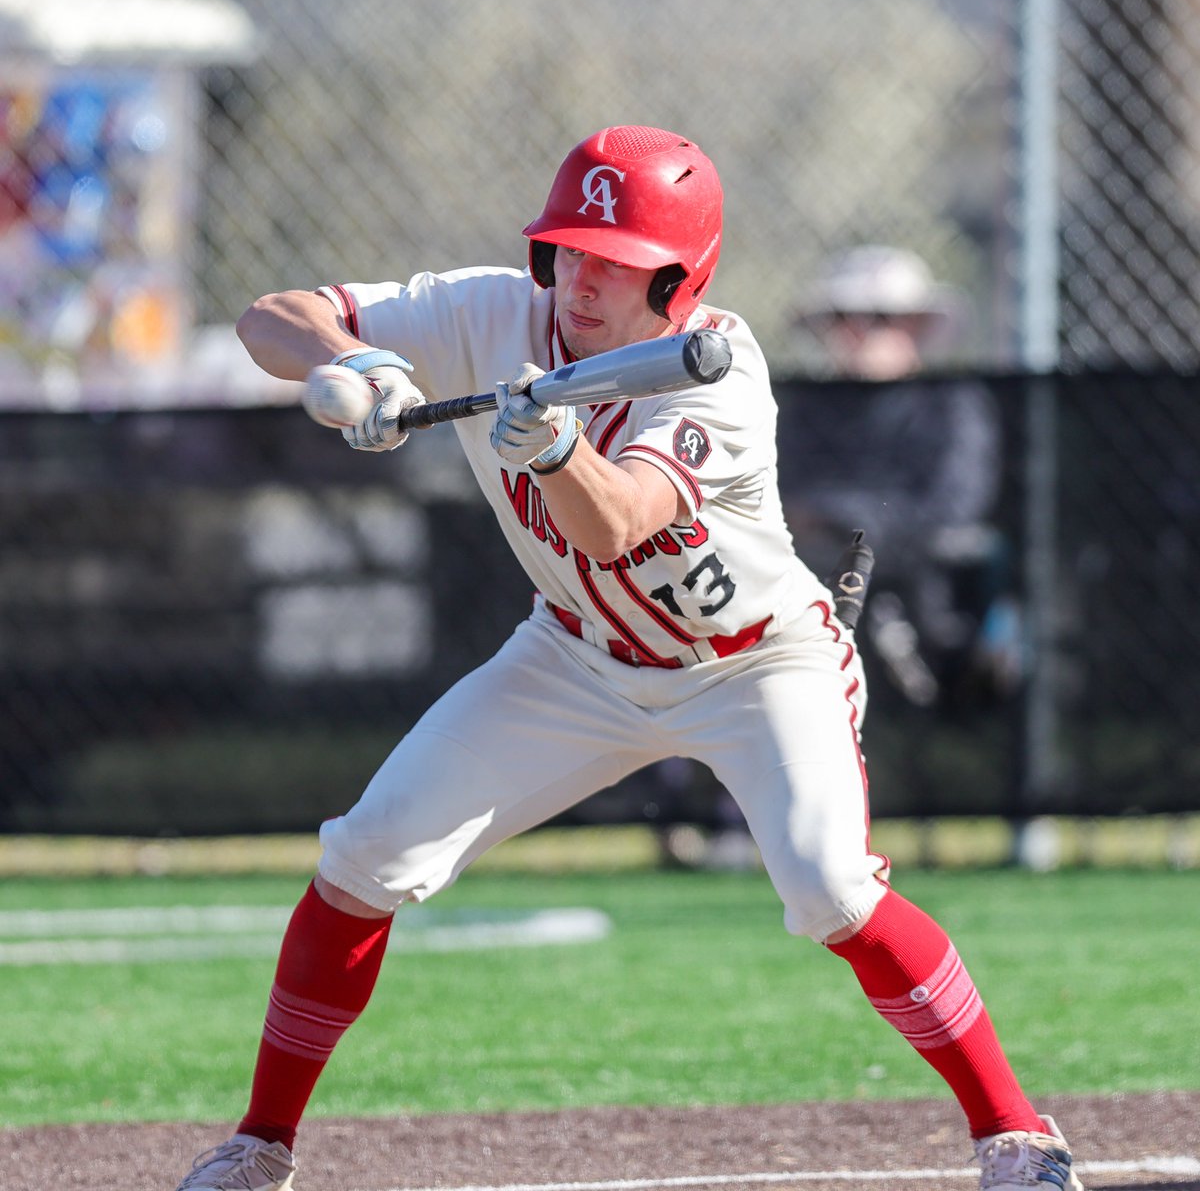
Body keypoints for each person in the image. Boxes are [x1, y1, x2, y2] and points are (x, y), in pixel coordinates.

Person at [172, 127, 1082, 1191]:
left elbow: (618, 524)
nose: (581, 280)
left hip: (755, 664)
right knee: (363, 858)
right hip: (577, 656)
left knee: (832, 891)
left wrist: (554, 448)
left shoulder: (719, 370)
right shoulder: (490, 310)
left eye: (618, 261)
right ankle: (259, 1146)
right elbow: (266, 317)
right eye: (567, 250)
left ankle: (1016, 1131)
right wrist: (354, 360)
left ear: (678, 279)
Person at [783, 245, 1021, 709]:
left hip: (924, 610)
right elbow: (783, 496)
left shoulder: (951, 405)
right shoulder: (808, 409)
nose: (852, 331)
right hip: (809, 596)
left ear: (914, 325)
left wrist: (837, 519)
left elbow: (950, 507)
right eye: (840, 316)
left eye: (875, 318)